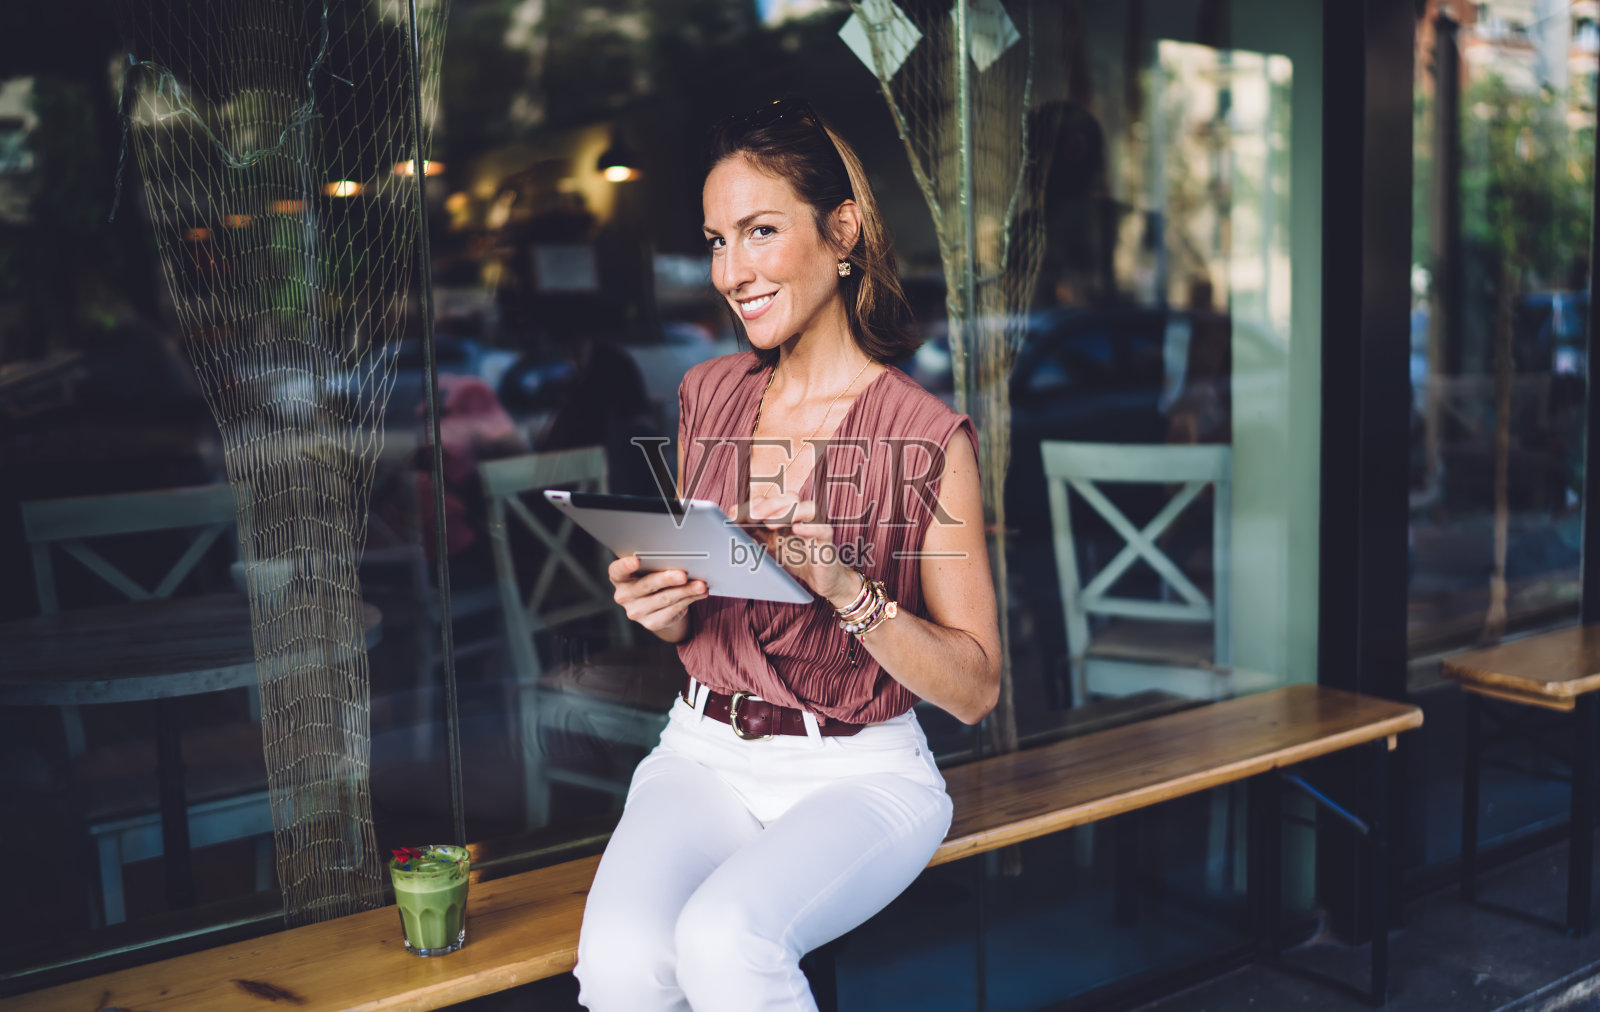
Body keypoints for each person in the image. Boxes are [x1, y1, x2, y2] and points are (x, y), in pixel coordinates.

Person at [572, 97, 1001, 1012]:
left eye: (760, 231)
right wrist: (664, 607)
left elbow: (974, 689)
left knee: (727, 943)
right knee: (619, 967)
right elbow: (703, 603)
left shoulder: (928, 439)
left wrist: (845, 586)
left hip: (859, 771)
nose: (732, 270)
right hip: (702, 751)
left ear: (840, 230)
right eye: (717, 240)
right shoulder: (708, 393)